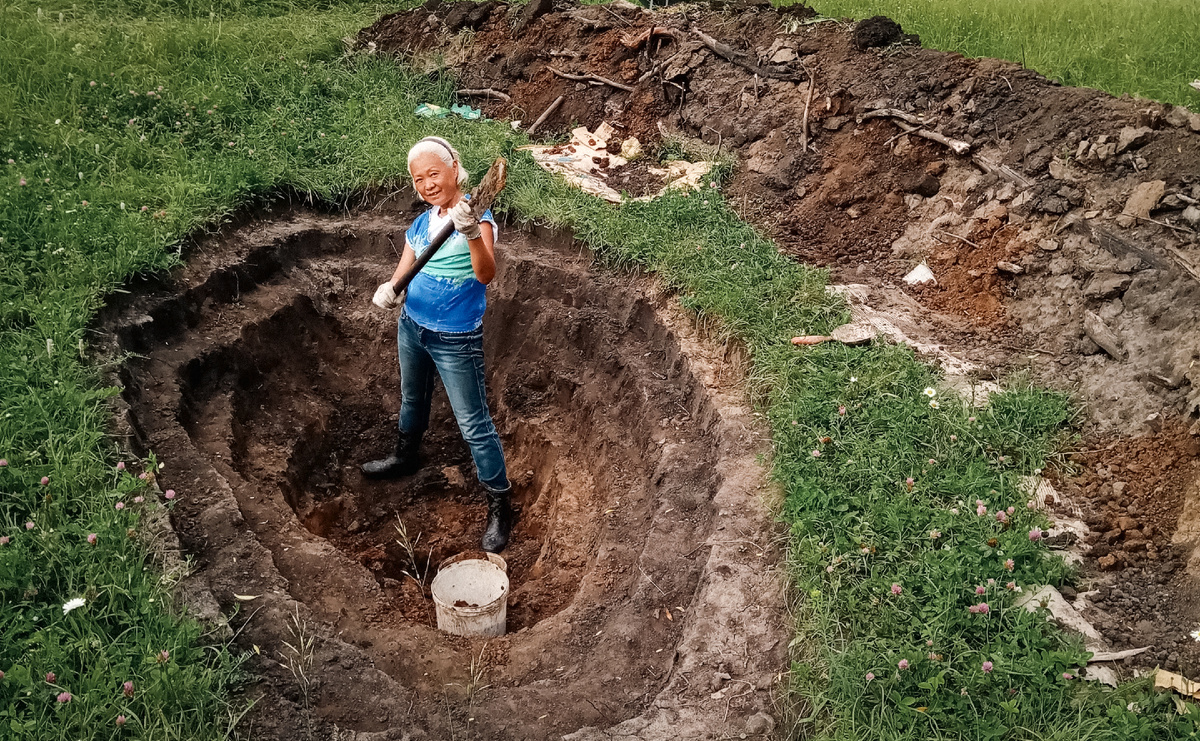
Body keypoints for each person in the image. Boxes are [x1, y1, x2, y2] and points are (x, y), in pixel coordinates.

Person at [363, 136, 513, 553]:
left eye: (434, 174)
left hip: (455, 337)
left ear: (454, 169)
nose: (427, 184)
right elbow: (409, 259)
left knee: (473, 423)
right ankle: (405, 456)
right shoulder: (426, 219)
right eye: (418, 179)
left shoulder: (477, 220)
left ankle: (500, 502)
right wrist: (392, 289)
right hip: (412, 325)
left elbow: (485, 274)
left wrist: (468, 233)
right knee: (413, 397)